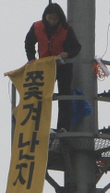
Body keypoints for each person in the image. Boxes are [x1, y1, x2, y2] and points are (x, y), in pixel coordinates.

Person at [25, 3, 81, 132]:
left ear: (59, 18)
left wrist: (67, 54)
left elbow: (76, 47)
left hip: (63, 66)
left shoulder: (66, 29)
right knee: (41, 97)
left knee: (64, 97)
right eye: (50, 18)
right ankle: (39, 128)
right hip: (44, 67)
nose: (52, 21)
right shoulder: (37, 26)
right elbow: (29, 42)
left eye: (55, 19)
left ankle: (63, 127)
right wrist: (31, 59)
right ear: (45, 17)